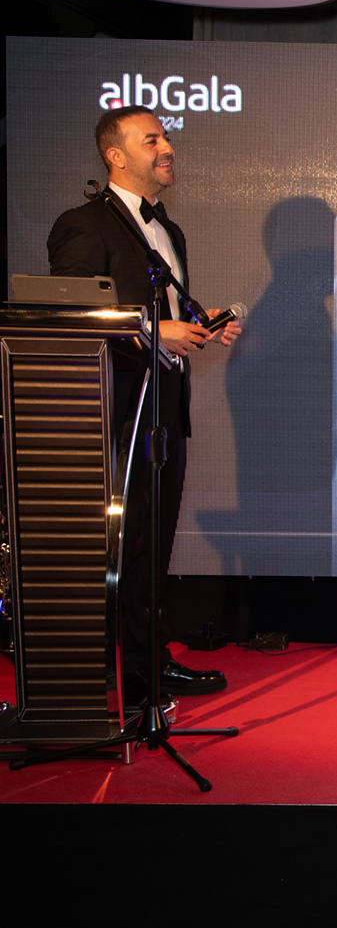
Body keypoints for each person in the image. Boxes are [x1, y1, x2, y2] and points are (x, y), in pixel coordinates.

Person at [48, 106, 241, 705]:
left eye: (165, 137)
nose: (166, 147)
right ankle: (110, 676)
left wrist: (196, 321)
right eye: (151, 139)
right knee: (121, 545)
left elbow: (160, 312)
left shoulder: (168, 230)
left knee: (153, 545)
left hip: (164, 406)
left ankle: (148, 668)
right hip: (118, 411)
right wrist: (156, 331)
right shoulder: (84, 225)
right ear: (115, 156)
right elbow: (71, 317)